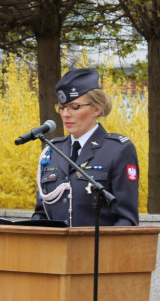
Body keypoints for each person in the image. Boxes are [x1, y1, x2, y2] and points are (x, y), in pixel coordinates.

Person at [31, 68, 139, 227]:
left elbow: (126, 220)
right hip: (55, 250)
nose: (65, 114)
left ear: (97, 109)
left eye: (74, 107)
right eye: (61, 107)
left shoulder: (117, 150)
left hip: (97, 250)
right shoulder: (53, 151)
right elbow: (42, 214)